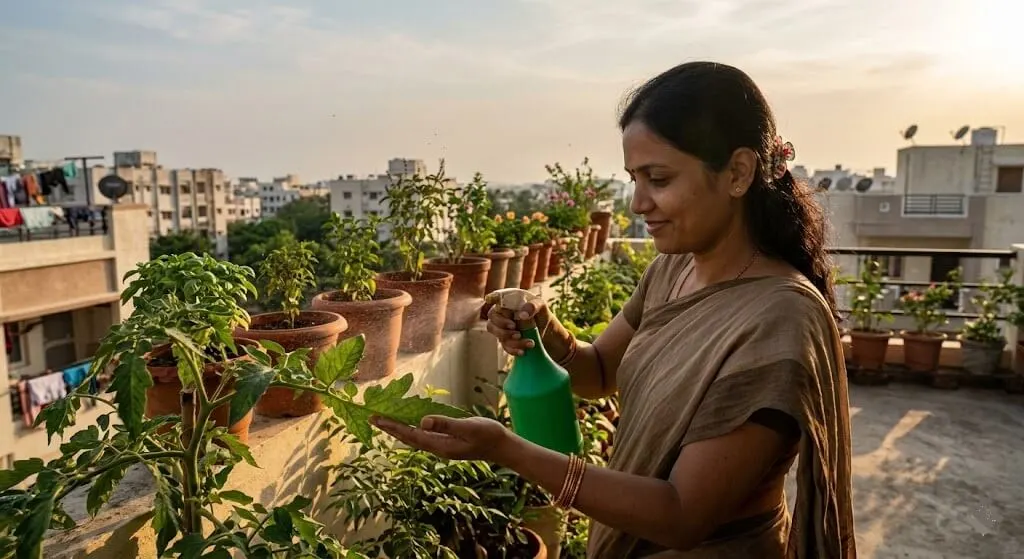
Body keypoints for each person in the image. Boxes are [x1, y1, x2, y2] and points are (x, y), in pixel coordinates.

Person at [371, 61, 856, 558]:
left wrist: (504, 449)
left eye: (659, 179)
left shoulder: (780, 317)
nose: (637, 203)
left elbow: (682, 515)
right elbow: (599, 371)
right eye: (633, 179)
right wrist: (544, 328)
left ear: (737, 172)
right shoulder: (672, 271)